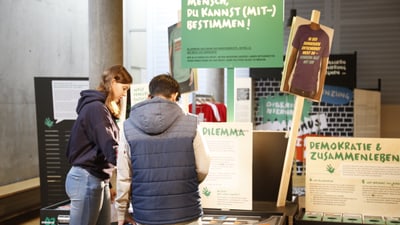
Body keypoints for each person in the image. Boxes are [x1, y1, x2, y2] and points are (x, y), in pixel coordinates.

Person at [116, 74, 211, 225]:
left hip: (146, 214)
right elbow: (203, 167)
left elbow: (124, 176)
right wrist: (185, 181)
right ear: (174, 96)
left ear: (149, 96)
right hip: (186, 213)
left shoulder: (128, 127)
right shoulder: (191, 124)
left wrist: (121, 211)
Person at [65, 65, 133, 225]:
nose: (125, 94)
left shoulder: (102, 108)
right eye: (124, 88)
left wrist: (109, 182)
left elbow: (103, 148)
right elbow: (109, 145)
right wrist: (129, 167)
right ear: (113, 81)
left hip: (97, 178)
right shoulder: (96, 108)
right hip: (86, 178)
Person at [282, 22, 330, 101]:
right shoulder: (301, 30)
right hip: (295, 87)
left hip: (311, 91)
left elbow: (324, 68)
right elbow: (293, 56)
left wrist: (319, 92)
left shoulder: (325, 37)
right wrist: (286, 81)